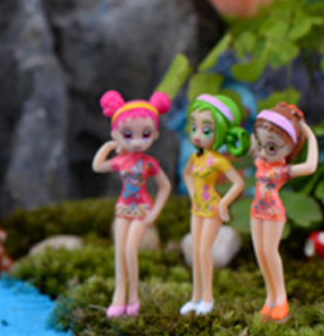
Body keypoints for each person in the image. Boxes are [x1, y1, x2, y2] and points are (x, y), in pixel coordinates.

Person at [92, 90, 172, 317]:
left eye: (145, 134)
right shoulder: (121, 161)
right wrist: (110, 145)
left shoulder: (149, 163)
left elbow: (165, 186)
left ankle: (133, 296)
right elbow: (97, 166)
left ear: (154, 135)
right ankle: (119, 297)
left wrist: (154, 213)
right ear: (117, 133)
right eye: (128, 135)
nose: (137, 141)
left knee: (130, 250)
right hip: (123, 208)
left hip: (142, 209)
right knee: (119, 252)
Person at [250, 102, 318, 323]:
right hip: (256, 211)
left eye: (271, 147)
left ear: (289, 147)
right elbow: (252, 141)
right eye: (262, 145)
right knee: (260, 252)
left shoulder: (282, 171)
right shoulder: (261, 163)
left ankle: (281, 298)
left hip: (272, 212)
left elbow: (310, 166)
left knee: (270, 252)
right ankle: (270, 297)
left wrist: (309, 136)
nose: (263, 152)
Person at [181, 93, 248, 315]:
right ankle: (195, 297)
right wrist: (192, 194)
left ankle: (207, 298)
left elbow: (238, 183)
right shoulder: (195, 158)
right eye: (194, 127)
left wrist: (224, 203)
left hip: (212, 209)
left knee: (204, 251)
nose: (197, 135)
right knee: (196, 251)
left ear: (219, 131)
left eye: (206, 130)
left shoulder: (219, 160)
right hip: (197, 208)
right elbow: (187, 175)